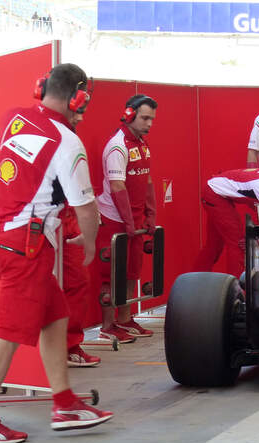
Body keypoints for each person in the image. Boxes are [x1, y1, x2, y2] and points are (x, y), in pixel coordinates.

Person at [0, 63, 113, 443]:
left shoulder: (13, 118)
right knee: (7, 333)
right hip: (25, 244)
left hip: (1, 233)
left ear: (42, 88)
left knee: (54, 317)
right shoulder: (68, 142)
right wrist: (89, 243)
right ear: (79, 96)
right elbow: (86, 207)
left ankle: (65, 402)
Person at [96, 94, 158, 343]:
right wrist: (129, 222)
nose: (149, 123)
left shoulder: (142, 145)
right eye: (144, 118)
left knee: (132, 271)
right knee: (111, 275)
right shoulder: (117, 145)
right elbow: (117, 186)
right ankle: (107, 325)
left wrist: (150, 214)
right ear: (130, 114)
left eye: (152, 119)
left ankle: (125, 318)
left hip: (134, 220)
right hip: (114, 220)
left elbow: (148, 182)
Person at [61, 110, 100, 367]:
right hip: (44, 226)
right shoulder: (64, 140)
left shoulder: (68, 139)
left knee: (76, 285)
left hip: (65, 222)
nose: (81, 117)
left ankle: (69, 347)